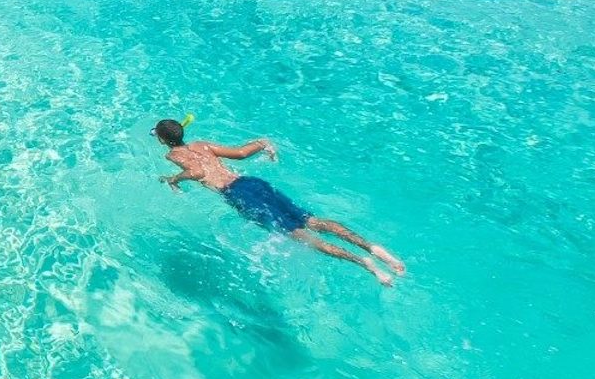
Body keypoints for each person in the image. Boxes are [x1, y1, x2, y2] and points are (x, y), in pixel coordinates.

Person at [153, 118, 406, 286]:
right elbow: (241, 153)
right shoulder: (201, 144)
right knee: (313, 221)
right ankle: (373, 248)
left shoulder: (173, 154)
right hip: (251, 183)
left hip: (238, 195)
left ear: (163, 139)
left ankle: (366, 264)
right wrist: (263, 144)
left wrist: (174, 178)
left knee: (302, 236)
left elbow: (197, 173)